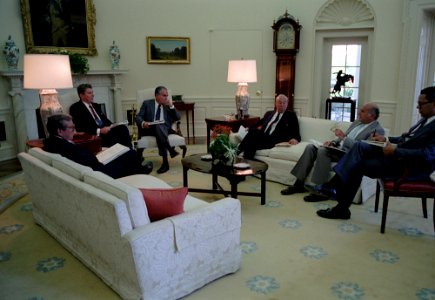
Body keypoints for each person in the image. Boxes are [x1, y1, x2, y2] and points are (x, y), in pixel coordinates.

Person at [316, 86, 435, 220]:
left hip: (408, 167)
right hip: (397, 158)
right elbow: (405, 139)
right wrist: (386, 139)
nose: (418, 108)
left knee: (358, 163)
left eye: (420, 104)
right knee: (360, 147)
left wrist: (396, 150)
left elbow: (427, 155)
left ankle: (336, 196)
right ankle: (336, 195)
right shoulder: (425, 120)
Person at [281, 103, 384, 201]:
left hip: (349, 155)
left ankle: (321, 190)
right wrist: (333, 143)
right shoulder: (357, 122)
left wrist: (343, 137)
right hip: (338, 149)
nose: (359, 113)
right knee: (310, 148)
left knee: (322, 151)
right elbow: (343, 137)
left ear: (371, 115)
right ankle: (298, 184)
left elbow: (362, 148)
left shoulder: (377, 131)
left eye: (362, 111)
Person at [43, 114, 152, 179]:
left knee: (123, 149)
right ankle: (139, 171)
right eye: (71, 128)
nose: (74, 130)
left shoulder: (50, 142)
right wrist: (97, 156)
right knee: (128, 153)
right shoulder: (64, 146)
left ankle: (137, 168)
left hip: (93, 164)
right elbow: (89, 161)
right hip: (99, 172)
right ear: (60, 131)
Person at [237, 94, 301, 159]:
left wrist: (295, 139)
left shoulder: (291, 116)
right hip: (263, 137)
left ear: (287, 104)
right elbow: (259, 123)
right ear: (276, 103)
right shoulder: (269, 113)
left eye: (284, 103)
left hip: (274, 140)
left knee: (253, 133)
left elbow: (296, 131)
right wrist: (249, 128)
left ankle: (236, 153)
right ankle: (246, 162)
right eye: (280, 103)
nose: (282, 105)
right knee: (251, 142)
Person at [69, 83, 132, 149]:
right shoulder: (76, 108)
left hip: (105, 129)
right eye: (89, 93)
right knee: (112, 135)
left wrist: (112, 125)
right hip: (95, 133)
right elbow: (80, 128)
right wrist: (99, 130)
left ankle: (129, 151)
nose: (93, 95)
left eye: (92, 92)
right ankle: (121, 153)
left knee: (122, 128)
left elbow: (105, 120)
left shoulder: (96, 105)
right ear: (81, 95)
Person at [135, 86, 181, 173]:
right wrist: (143, 123)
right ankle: (169, 153)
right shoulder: (147, 104)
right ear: (156, 95)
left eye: (167, 95)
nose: (166, 97)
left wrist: (171, 106)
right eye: (164, 95)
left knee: (159, 126)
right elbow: (138, 117)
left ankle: (166, 161)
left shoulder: (167, 106)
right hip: (149, 129)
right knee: (157, 125)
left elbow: (177, 117)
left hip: (165, 129)